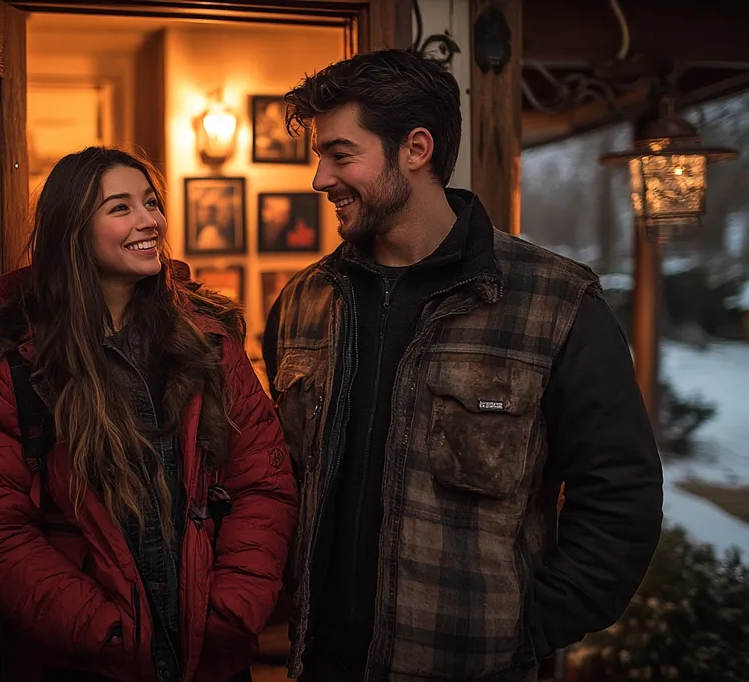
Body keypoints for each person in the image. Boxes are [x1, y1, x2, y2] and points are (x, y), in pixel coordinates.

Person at [262, 49, 664, 682]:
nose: (320, 179)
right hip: (318, 665)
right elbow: (275, 479)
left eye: (341, 155)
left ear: (415, 150)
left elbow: (622, 495)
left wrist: (529, 628)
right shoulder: (303, 302)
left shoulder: (555, 303)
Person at [0, 146, 297, 682]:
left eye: (151, 203)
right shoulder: (20, 366)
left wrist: (231, 608)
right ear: (73, 231)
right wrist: (101, 630)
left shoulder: (207, 343)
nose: (150, 221)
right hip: (94, 662)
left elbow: (264, 483)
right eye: (121, 208)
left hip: (211, 652)